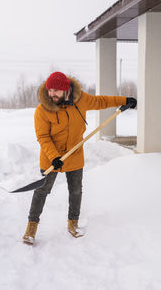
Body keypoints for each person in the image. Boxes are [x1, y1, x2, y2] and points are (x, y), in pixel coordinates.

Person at [23, 71, 137, 245]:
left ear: (65, 90)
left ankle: (73, 223)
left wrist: (124, 101)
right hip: (50, 157)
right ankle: (31, 228)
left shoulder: (80, 99)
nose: (51, 94)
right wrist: (54, 157)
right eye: (49, 90)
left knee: (75, 190)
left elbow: (101, 101)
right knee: (42, 191)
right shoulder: (42, 110)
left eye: (55, 91)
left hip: (74, 154)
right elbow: (43, 137)